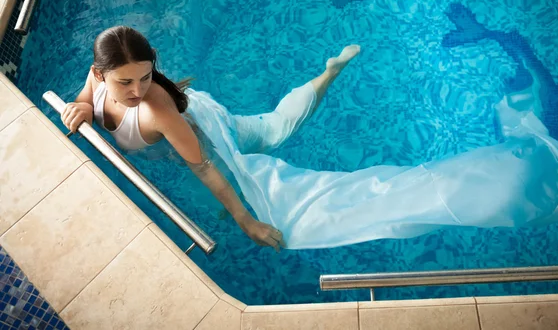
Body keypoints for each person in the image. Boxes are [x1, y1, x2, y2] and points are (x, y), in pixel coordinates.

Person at [61, 26, 360, 252]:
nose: (137, 91)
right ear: (99, 75)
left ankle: (328, 74)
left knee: (275, 129)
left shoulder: (157, 112)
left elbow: (203, 166)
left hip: (207, 130)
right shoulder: (96, 81)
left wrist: (246, 220)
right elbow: (86, 99)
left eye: (145, 77)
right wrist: (84, 107)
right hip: (184, 121)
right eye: (125, 82)